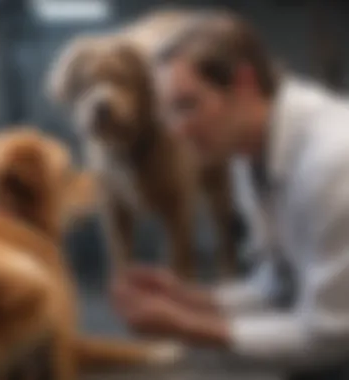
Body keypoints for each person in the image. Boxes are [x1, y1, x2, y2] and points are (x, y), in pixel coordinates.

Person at [112, 10, 349, 380]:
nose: (176, 131)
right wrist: (191, 299)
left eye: (187, 105)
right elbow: (281, 280)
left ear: (244, 83)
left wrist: (187, 326)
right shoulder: (247, 152)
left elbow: (332, 335)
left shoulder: (334, 163)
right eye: (169, 114)